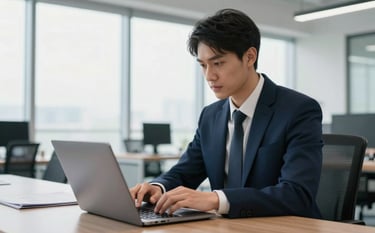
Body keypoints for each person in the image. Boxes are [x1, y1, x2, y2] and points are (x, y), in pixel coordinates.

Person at [130, 8, 323, 219]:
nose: (209, 76)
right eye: (203, 65)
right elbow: (185, 171)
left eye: (218, 63)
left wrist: (215, 199)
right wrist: (158, 187)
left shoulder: (298, 110)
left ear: (249, 57)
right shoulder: (210, 116)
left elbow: (297, 194)